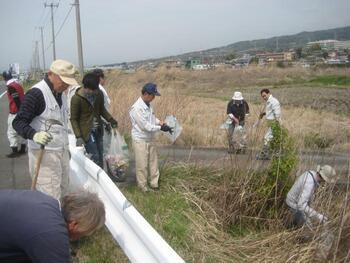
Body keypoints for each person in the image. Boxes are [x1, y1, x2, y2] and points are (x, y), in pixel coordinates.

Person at [13, 59, 78, 200]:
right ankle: (50, 222)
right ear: (51, 74)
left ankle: (62, 221)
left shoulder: (60, 92)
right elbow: (18, 122)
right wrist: (34, 135)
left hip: (61, 152)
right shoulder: (37, 94)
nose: (66, 85)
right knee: (51, 198)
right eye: (63, 81)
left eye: (68, 82)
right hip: (44, 156)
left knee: (64, 191)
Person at [0, 189, 105, 262]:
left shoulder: (48, 202)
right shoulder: (52, 234)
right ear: (74, 224)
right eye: (83, 234)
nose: (81, 237)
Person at [129, 83, 173, 192]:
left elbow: (152, 118)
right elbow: (145, 126)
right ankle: (143, 187)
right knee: (142, 165)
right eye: (152, 95)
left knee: (154, 162)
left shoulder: (148, 104)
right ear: (145, 94)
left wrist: (161, 122)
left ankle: (154, 183)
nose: (154, 97)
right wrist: (160, 128)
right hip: (140, 139)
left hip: (150, 138)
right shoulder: (136, 108)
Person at [70, 72, 118, 168]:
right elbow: (73, 119)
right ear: (85, 87)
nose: (93, 92)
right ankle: (94, 179)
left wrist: (111, 120)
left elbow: (101, 110)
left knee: (100, 154)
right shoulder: (77, 99)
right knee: (94, 156)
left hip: (98, 130)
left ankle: (101, 177)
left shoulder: (98, 94)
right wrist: (78, 136)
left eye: (95, 89)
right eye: (91, 90)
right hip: (86, 133)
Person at [285, 165, 336, 229]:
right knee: (308, 229)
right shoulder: (309, 183)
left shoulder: (311, 173)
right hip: (293, 204)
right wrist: (318, 216)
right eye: (325, 181)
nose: (325, 183)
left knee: (300, 223)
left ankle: (291, 227)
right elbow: (301, 205)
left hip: (294, 201)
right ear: (323, 178)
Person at [2, 71, 26, 158]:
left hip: (15, 112)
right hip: (22, 111)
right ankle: (23, 149)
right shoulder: (17, 84)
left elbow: (16, 99)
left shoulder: (11, 87)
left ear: (5, 78)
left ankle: (15, 151)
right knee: (22, 130)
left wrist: (19, 112)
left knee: (11, 132)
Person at [257, 88, 281, 160]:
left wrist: (276, 124)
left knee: (267, 138)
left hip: (274, 123)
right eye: (262, 96)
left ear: (268, 93)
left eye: (264, 96)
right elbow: (270, 111)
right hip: (271, 123)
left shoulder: (274, 101)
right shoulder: (269, 101)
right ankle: (276, 154)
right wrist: (264, 113)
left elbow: (277, 114)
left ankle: (265, 155)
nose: (264, 97)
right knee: (274, 139)